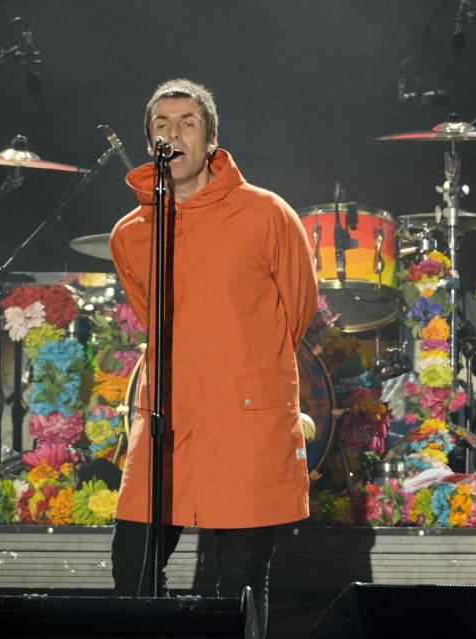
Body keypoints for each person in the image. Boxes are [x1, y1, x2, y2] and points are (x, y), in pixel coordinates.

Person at [108, 79, 318, 638]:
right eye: (161, 124)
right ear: (149, 138)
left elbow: (297, 307)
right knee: (132, 571)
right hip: (165, 425)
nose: (172, 134)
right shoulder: (131, 234)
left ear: (211, 140)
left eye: (187, 123)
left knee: (240, 585)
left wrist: (247, 371)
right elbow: (153, 318)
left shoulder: (266, 213)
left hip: (245, 420)